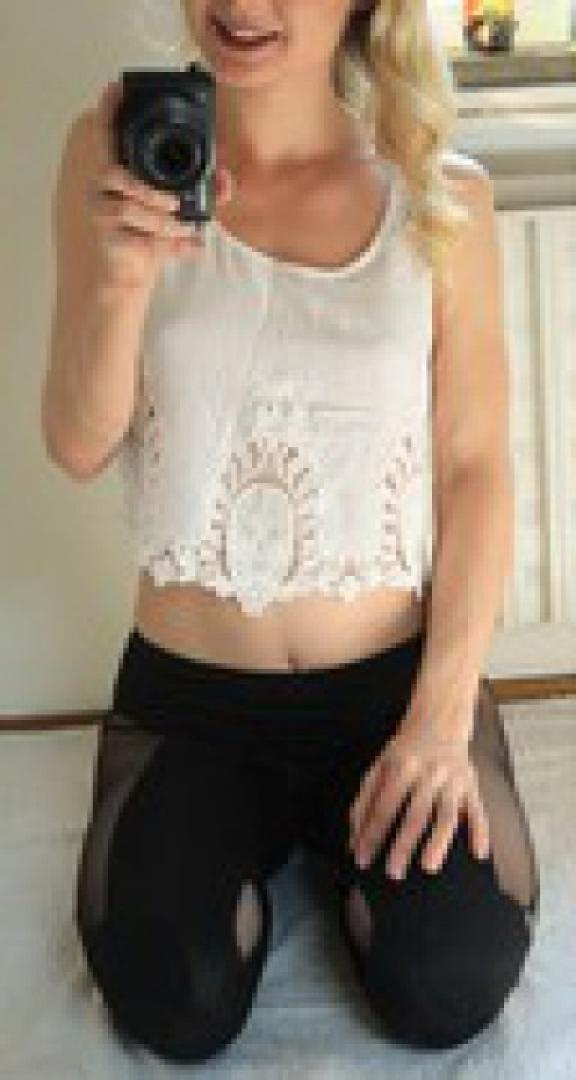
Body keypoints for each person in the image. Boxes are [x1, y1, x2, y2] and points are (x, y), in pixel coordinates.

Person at [44, 0, 541, 1065]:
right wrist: (124, 279)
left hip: (389, 697)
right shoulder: (113, 150)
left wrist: (439, 724)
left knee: (448, 981)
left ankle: (358, 858)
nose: (244, 3)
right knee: (177, 1000)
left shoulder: (443, 196)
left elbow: (475, 471)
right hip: (193, 707)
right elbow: (76, 443)